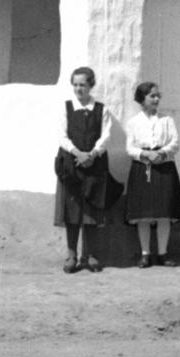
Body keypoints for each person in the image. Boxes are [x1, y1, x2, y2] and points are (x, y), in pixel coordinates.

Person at [54, 66, 113, 273]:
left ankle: (91, 254)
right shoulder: (66, 107)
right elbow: (61, 136)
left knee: (92, 209)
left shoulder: (101, 109)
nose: (79, 89)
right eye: (76, 85)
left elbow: (106, 135)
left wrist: (92, 154)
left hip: (94, 164)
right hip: (71, 164)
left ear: (91, 85)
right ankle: (72, 255)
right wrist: (77, 153)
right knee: (72, 210)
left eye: (83, 85)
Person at [123, 81, 180, 267]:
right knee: (144, 215)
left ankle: (163, 253)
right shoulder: (133, 122)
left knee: (164, 213)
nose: (156, 99)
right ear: (142, 99)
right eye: (152, 96)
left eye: (158, 96)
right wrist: (145, 154)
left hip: (164, 167)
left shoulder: (167, 120)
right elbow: (129, 147)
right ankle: (145, 253)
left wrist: (162, 153)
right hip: (143, 167)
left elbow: (175, 142)